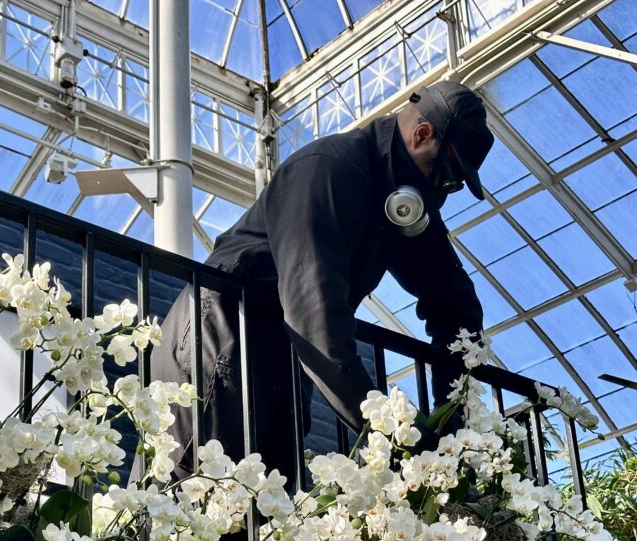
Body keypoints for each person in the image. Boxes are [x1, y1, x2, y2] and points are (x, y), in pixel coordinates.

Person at [149, 80, 494, 491]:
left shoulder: (404, 201)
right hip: (222, 335)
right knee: (196, 491)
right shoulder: (331, 169)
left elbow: (454, 303)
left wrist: (453, 418)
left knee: (265, 508)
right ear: (421, 136)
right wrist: (401, 437)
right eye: (449, 176)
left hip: (281, 351)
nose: (443, 193)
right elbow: (315, 315)